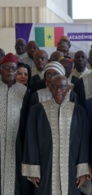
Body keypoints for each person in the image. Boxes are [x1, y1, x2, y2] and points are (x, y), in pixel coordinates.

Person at [22, 75, 91, 195]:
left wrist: (82, 171)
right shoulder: (37, 111)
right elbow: (31, 141)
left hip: (71, 166)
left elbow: (84, 142)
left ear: (68, 88)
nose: (58, 90)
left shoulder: (79, 111)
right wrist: (33, 170)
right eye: (54, 87)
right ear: (49, 87)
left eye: (62, 87)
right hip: (45, 166)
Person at [0, 53, 33, 195]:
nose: (9, 71)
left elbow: (27, 122)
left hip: (17, 145)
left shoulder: (24, 92)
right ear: (0, 69)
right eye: (6, 68)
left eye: (13, 68)